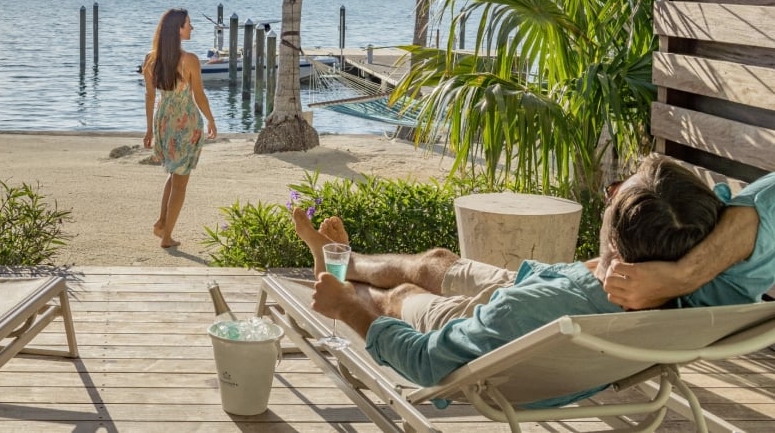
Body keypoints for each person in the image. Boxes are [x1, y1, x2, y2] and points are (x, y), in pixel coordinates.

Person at [292, 157, 723, 403]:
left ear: (613, 236)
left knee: (404, 293)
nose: (606, 200)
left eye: (612, 195)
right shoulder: (703, 279)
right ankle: (344, 263)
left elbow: (426, 363)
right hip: (543, 289)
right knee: (435, 262)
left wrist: (346, 309)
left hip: (520, 324)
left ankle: (334, 284)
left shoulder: (518, 314)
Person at [604, 169, 775, 310]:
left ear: (617, 249)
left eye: (611, 193)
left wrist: (683, 277)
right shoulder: (747, 266)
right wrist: (683, 275)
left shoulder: (589, 306)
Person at [142, 8, 217, 249]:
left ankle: (162, 222)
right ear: (177, 29)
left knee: (174, 174)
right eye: (188, 24)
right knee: (181, 182)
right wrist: (211, 120)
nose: (191, 28)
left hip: (164, 121)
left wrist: (149, 130)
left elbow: (150, 97)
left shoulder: (151, 59)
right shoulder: (190, 60)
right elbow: (199, 96)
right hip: (186, 124)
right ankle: (166, 237)